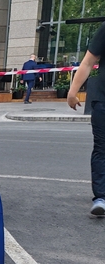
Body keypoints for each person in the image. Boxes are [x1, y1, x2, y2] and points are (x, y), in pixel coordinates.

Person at [68, 21, 105, 217]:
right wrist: (73, 91)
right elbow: (88, 61)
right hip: (103, 98)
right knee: (102, 147)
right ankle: (101, 197)